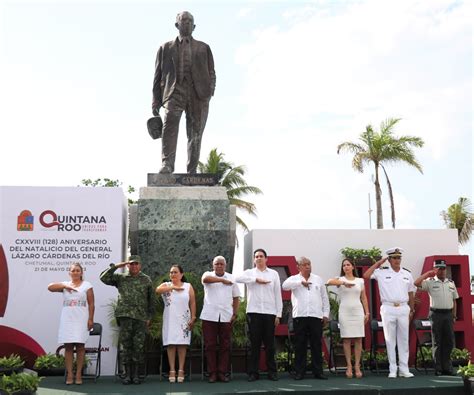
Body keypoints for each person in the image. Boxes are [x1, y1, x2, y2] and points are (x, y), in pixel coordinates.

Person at [152, 11, 216, 174]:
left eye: (190, 21)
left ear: (194, 26)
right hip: (174, 91)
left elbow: (212, 72)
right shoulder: (165, 48)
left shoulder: (204, 48)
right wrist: (155, 101)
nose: (187, 23)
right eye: (184, 20)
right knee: (169, 126)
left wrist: (210, 92)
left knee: (195, 132)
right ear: (177, 25)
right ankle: (167, 164)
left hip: (198, 94)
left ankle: (192, 169)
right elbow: (157, 75)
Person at [100, 256, 156, 385]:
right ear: (128, 265)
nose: (134, 266)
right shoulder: (121, 278)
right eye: (131, 264)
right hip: (125, 316)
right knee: (126, 346)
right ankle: (127, 374)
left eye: (136, 264)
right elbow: (103, 278)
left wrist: (149, 317)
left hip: (140, 317)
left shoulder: (146, 279)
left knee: (138, 346)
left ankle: (136, 374)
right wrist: (116, 267)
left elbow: (151, 300)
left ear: (140, 265)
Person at [363, 247, 416, 378]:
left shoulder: (407, 274)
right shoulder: (381, 272)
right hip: (388, 308)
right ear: (389, 260)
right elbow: (366, 275)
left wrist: (412, 309)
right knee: (390, 339)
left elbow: (411, 292)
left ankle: (404, 369)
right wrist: (379, 263)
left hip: (403, 308)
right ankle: (392, 368)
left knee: (403, 339)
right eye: (394, 258)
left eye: (399, 257)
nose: (397, 260)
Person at [235, 248, 282, 382]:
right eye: (256, 257)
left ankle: (272, 372)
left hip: (269, 313)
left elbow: (277, 295)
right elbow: (237, 278)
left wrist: (278, 314)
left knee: (270, 345)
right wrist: (256, 280)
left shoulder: (273, 274)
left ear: (266, 259)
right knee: (254, 345)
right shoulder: (250, 273)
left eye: (261, 256)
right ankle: (253, 373)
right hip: (254, 313)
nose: (259, 258)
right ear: (254, 259)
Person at [282, 257, 330, 380]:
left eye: (309, 264)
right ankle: (299, 372)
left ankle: (318, 372)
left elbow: (324, 298)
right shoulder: (294, 279)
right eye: (305, 264)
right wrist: (300, 283)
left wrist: (325, 314)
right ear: (298, 267)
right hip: (300, 316)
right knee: (300, 345)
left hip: (315, 316)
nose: (308, 266)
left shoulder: (318, 279)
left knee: (316, 344)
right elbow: (284, 286)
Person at [48, 263, 95, 385]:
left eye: (77, 270)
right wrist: (65, 285)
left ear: (81, 272)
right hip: (67, 319)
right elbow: (50, 287)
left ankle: (79, 373)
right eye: (73, 270)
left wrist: (90, 319)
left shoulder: (87, 285)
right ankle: (70, 374)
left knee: (80, 347)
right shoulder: (65, 285)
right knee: (68, 347)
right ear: (69, 273)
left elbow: (91, 304)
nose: (75, 272)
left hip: (81, 319)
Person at [414, 259, 459, 376]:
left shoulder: (450, 283)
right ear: (435, 270)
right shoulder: (430, 281)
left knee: (449, 342)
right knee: (437, 342)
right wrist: (427, 274)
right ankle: (438, 368)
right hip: (436, 314)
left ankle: (447, 367)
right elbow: (416, 283)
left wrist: (454, 316)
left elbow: (454, 300)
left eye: (443, 268)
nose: (442, 271)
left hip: (448, 314)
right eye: (439, 268)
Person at [327, 259, 369, 379]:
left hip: (357, 311)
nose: (346, 267)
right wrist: (343, 283)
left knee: (358, 339)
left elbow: (364, 298)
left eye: (348, 265)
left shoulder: (359, 280)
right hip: (344, 311)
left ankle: (357, 366)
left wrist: (367, 312)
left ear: (352, 266)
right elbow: (329, 281)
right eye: (344, 265)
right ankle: (349, 366)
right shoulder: (340, 280)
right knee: (346, 340)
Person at [200, 256, 240, 383]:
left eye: (221, 264)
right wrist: (222, 280)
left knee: (225, 345)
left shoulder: (232, 278)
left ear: (225, 265)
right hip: (209, 315)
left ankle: (222, 372)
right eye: (217, 264)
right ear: (213, 265)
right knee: (210, 345)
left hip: (226, 315)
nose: (219, 266)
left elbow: (236, 297)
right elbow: (205, 279)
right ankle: (212, 373)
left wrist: (235, 313)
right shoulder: (208, 274)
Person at [156, 265, 196, 383]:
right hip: (170, 319)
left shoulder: (188, 286)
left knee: (182, 345)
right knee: (171, 344)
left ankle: (181, 370)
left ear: (181, 274)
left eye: (175, 272)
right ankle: (172, 370)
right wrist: (173, 287)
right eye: (171, 272)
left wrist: (193, 317)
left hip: (184, 319)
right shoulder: (166, 285)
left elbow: (193, 302)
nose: (173, 274)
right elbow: (157, 290)